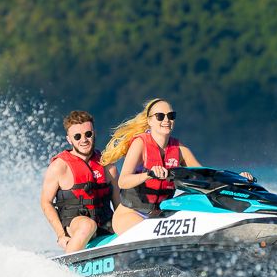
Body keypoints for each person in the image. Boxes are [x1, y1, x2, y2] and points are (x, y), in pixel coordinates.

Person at [100, 98, 253, 234]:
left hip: (159, 216)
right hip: (131, 214)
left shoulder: (179, 148)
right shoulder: (140, 144)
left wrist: (237, 178)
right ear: (150, 121)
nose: (166, 120)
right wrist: (148, 174)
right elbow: (123, 181)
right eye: (160, 116)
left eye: (171, 116)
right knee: (150, 233)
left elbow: (206, 176)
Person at [41, 110, 120, 252]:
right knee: (87, 225)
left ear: (94, 133)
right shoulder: (59, 167)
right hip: (75, 222)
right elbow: (46, 202)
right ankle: (67, 268)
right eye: (77, 136)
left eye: (88, 134)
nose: (84, 140)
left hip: (104, 222)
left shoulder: (108, 166)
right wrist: (61, 235)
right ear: (69, 140)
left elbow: (119, 205)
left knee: (131, 222)